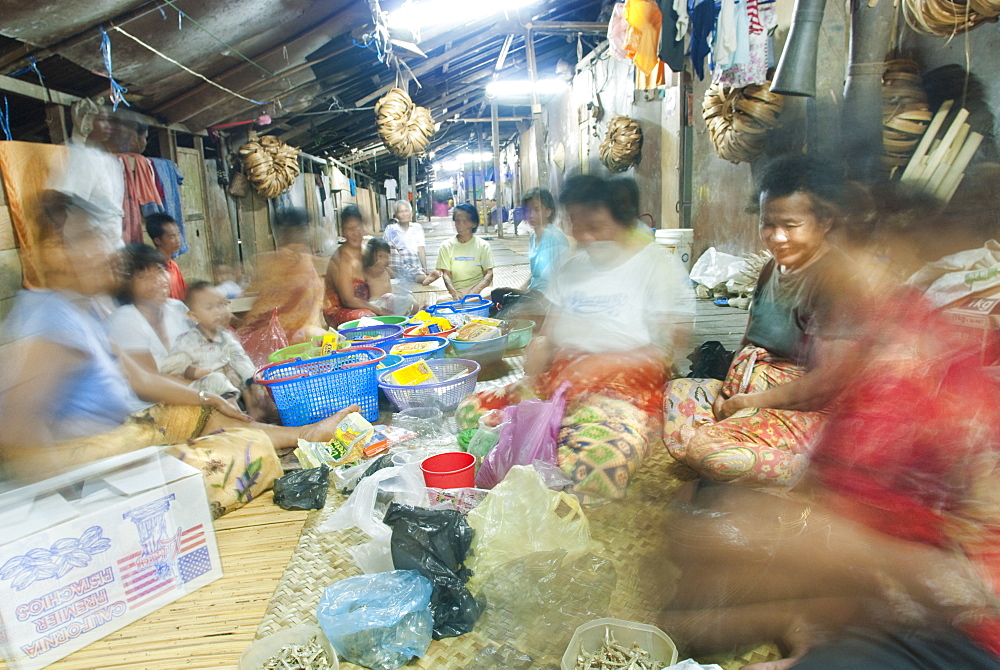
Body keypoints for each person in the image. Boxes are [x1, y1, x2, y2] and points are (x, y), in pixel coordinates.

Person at [657, 188, 1000, 669]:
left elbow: (958, 583)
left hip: (950, 628)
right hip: (869, 586)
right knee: (698, 604)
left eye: (857, 251)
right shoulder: (872, 344)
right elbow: (832, 490)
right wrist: (807, 616)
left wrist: (825, 553)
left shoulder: (936, 378)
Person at [0, 192, 358, 510]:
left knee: (193, 410)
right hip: (95, 473)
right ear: (55, 253)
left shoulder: (85, 309)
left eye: (99, 238)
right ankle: (282, 441)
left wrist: (204, 398)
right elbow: (16, 441)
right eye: (86, 240)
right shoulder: (48, 321)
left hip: (127, 434)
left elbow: (139, 377)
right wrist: (107, 474)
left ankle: (306, 435)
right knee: (244, 454)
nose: (103, 252)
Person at [456, 175, 694, 503]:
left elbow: (668, 350)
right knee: (470, 413)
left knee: (595, 468)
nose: (583, 235)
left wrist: (602, 364)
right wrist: (542, 346)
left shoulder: (656, 265)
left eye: (595, 226)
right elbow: (552, 326)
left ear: (624, 221)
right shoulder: (573, 263)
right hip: (562, 379)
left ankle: (556, 448)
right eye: (576, 224)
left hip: (624, 390)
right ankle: (546, 445)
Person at [663, 155, 865, 487]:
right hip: (750, 395)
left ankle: (820, 470)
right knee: (677, 392)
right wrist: (727, 393)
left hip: (804, 411)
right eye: (768, 224)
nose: (777, 237)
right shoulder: (773, 268)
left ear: (825, 221)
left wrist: (749, 403)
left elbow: (827, 384)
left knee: (705, 450)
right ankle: (734, 445)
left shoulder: (838, 281)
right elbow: (750, 338)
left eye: (791, 225)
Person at [161, 281, 271, 421]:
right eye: (209, 308)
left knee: (238, 371)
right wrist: (192, 371)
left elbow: (240, 357)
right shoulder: (187, 341)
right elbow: (169, 369)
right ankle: (237, 416)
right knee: (217, 378)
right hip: (200, 391)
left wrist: (254, 383)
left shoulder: (224, 336)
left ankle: (253, 409)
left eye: (220, 305)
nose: (217, 312)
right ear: (194, 316)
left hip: (226, 388)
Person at [239, 207, 327, 346]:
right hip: (279, 335)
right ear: (286, 233)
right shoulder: (275, 263)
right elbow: (270, 308)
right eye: (300, 230)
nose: (305, 234)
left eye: (305, 230)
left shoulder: (304, 259)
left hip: (304, 331)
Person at [108, 244, 191, 375]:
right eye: (143, 276)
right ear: (127, 285)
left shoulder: (177, 308)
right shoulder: (124, 320)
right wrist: (205, 393)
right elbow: (152, 382)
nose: (158, 280)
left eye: (159, 270)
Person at [490, 187, 570, 318]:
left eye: (536, 210)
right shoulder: (533, 236)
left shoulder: (555, 238)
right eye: (528, 210)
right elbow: (535, 273)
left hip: (546, 300)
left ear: (548, 211)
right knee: (497, 295)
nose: (531, 215)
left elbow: (563, 279)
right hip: (532, 294)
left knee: (505, 316)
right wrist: (522, 289)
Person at [324, 205, 387, 327]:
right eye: (350, 229)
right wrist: (378, 309)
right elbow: (348, 300)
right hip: (340, 312)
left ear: (364, 228)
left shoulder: (366, 252)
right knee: (369, 319)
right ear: (343, 231)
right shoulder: (341, 259)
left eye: (358, 228)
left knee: (407, 304)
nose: (355, 233)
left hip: (367, 304)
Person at [436, 203, 496, 300]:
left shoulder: (483, 245)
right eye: (457, 220)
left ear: (474, 223)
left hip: (479, 290)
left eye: (464, 221)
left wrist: (474, 292)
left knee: (490, 293)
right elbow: (446, 274)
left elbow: (489, 274)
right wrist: (454, 293)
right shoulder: (446, 246)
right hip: (458, 293)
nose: (460, 224)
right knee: (441, 301)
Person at [384, 200, 439, 285]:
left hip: (412, 261)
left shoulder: (417, 227)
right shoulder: (391, 228)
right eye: (401, 211)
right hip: (396, 261)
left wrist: (424, 268)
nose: (404, 214)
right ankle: (410, 276)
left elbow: (420, 248)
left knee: (417, 273)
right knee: (390, 248)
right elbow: (385, 248)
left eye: (406, 211)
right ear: (396, 215)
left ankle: (425, 279)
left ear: (411, 213)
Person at [363, 237, 415, 316]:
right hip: (376, 305)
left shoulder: (386, 271)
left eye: (386, 257)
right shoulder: (368, 271)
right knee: (389, 296)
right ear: (370, 256)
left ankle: (405, 319)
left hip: (390, 303)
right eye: (380, 256)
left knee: (413, 302)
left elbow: (395, 277)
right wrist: (375, 266)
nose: (383, 259)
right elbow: (373, 274)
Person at [145, 212, 187, 300]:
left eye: (178, 234)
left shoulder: (173, 265)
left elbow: (184, 293)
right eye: (172, 237)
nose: (177, 240)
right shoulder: (153, 269)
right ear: (157, 241)